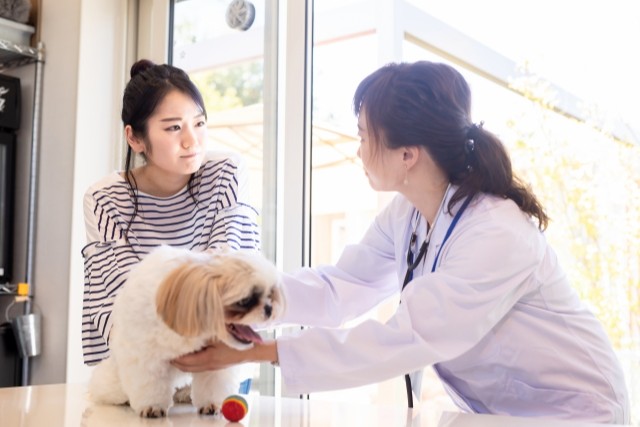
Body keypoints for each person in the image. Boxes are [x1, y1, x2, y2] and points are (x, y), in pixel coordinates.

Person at [172, 61, 630, 423]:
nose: (358, 151)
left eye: (364, 137)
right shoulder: (408, 213)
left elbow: (407, 336)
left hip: (572, 412)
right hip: (501, 411)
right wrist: (245, 304)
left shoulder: (496, 232)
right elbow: (341, 288)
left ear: (408, 155)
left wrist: (260, 351)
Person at [81, 59, 261, 370]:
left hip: (216, 360)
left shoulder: (225, 173)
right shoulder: (104, 199)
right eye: (174, 127)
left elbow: (234, 274)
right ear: (135, 138)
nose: (192, 141)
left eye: (199, 123)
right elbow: (120, 301)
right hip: (141, 367)